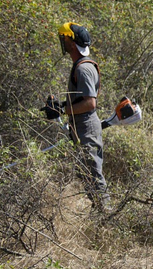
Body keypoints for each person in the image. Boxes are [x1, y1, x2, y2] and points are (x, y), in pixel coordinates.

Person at [58, 22, 110, 212]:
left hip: (86, 128)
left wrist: (63, 111)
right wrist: (61, 106)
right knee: (87, 176)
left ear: (72, 42)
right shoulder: (79, 65)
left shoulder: (83, 69)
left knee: (94, 178)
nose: (62, 41)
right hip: (80, 127)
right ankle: (100, 214)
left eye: (64, 37)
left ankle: (107, 218)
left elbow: (90, 103)